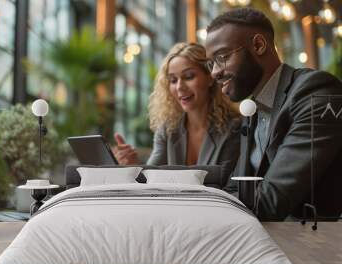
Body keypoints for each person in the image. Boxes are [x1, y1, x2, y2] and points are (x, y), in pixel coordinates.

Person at [205, 7, 342, 221]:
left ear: (259, 45)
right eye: (211, 63)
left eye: (222, 57)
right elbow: (236, 185)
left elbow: (271, 200)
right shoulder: (252, 111)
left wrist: (201, 209)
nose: (214, 73)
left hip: (321, 244)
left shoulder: (315, 92)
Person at [113, 42, 241, 185]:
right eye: (173, 80)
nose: (179, 87)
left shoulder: (234, 127)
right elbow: (151, 178)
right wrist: (133, 166)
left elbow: (225, 180)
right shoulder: (167, 129)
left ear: (210, 77)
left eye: (188, 76)